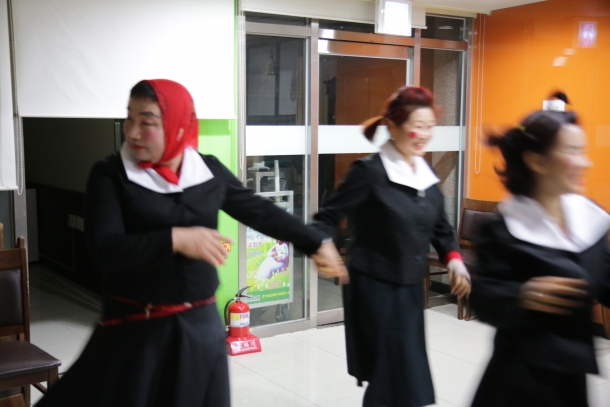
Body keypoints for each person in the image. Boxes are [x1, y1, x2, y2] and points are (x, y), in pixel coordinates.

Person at [35, 79, 345, 407]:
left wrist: (316, 241)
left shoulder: (206, 171)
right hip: (137, 330)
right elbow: (105, 252)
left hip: (199, 328)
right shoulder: (110, 175)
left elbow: (259, 211)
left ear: (178, 125)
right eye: (129, 118)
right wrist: (175, 239)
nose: (133, 132)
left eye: (147, 122)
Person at [313, 86, 471, 407]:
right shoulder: (369, 172)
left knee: (407, 374)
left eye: (430, 126)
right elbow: (326, 217)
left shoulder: (424, 172)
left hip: (409, 288)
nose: (424, 134)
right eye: (418, 126)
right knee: (391, 373)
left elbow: (440, 226)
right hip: (374, 288)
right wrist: (324, 245)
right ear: (394, 127)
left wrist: (454, 260)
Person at [469, 110, 610, 407]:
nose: (586, 163)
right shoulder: (505, 229)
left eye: (583, 151)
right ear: (537, 161)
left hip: (572, 379)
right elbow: (482, 300)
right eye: (573, 151)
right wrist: (522, 294)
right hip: (520, 380)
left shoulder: (589, 220)